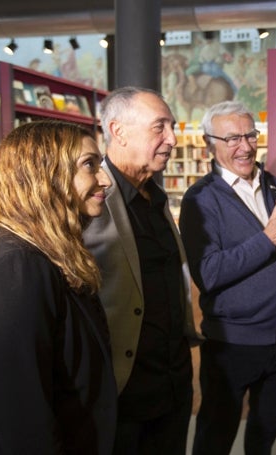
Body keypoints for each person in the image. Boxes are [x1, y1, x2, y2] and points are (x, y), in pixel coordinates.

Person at [0, 120, 116, 453]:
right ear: (44, 175)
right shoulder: (14, 265)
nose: (104, 179)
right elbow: (24, 415)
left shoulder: (38, 254)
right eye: (89, 165)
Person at [178, 100, 276, 455]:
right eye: (233, 138)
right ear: (210, 143)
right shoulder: (200, 199)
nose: (246, 145)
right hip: (233, 343)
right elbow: (208, 273)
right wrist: (271, 237)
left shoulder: (270, 183)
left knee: (266, 429)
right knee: (216, 434)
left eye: (250, 135)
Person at [82, 86, 201, 455]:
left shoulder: (156, 196)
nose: (172, 138)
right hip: (122, 390)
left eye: (172, 126)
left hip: (172, 383)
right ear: (118, 132)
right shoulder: (87, 195)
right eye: (159, 127)